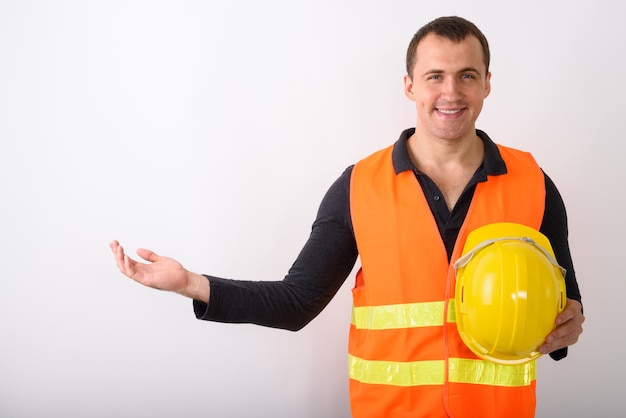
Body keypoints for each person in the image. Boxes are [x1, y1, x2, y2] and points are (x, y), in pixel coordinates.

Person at [110, 16, 584, 418]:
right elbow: (297, 303)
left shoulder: (533, 182)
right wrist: (192, 283)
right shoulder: (360, 186)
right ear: (410, 85)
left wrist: (568, 326)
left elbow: (564, 315)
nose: (451, 91)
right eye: (435, 75)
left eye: (466, 75)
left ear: (486, 83)